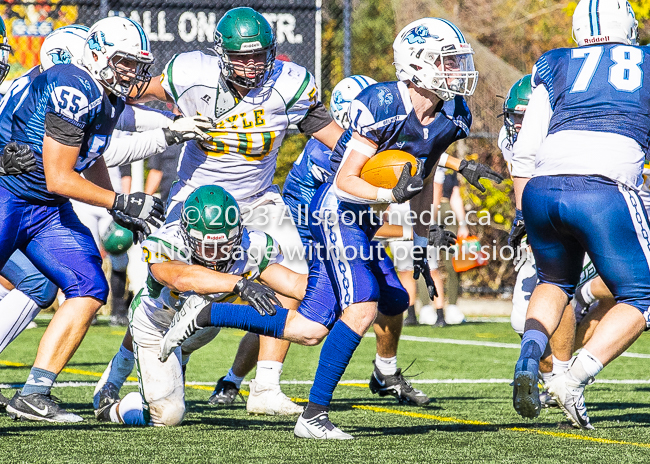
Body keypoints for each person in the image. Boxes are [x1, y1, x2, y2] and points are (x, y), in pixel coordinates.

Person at [159, 17, 502, 440]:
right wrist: (390, 199)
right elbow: (346, 180)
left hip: (368, 214)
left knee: (310, 329)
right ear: (416, 64)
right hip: (338, 210)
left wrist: (420, 239)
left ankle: (207, 312)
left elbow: (422, 177)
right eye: (446, 61)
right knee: (363, 305)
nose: (456, 70)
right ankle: (314, 416)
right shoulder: (379, 103)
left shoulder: (454, 113)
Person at [120, 6, 345, 416]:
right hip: (197, 200)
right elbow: (133, 96)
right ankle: (129, 368)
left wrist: (378, 168)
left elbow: (337, 140)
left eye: (259, 55)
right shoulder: (192, 74)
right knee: (169, 292)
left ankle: (265, 386)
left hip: (258, 198)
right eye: (241, 56)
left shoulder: (289, 85)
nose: (251, 64)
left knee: (301, 276)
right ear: (221, 53)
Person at [0, 17, 164, 423]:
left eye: (135, 64)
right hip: (8, 195)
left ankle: (35, 392)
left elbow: (88, 159)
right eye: (123, 62)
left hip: (41, 208)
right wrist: (122, 200)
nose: (131, 72)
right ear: (95, 55)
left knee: (89, 285)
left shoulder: (106, 96)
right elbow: (59, 177)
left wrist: (115, 206)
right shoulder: (74, 86)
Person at [511, 0, 650, 430]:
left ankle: (530, 358)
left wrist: (522, 211)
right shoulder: (644, 61)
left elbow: (526, 150)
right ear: (627, 25)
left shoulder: (555, 63)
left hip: (541, 188)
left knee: (554, 280)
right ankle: (572, 379)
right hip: (603, 188)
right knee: (644, 297)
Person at [95, 184, 310, 426]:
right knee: (168, 415)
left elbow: (293, 283)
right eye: (207, 246)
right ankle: (110, 405)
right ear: (186, 234)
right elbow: (183, 279)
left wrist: (343, 292)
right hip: (156, 324)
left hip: (202, 325)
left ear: (239, 232)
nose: (217, 254)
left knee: (183, 356)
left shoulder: (253, 244)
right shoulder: (168, 240)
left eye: (225, 245)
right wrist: (239, 284)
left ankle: (174, 368)